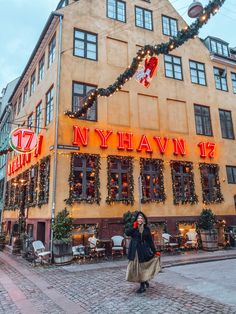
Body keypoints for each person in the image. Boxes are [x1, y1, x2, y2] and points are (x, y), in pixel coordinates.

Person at [125, 211, 161, 293]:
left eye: (141, 218)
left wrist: (155, 251)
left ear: (144, 220)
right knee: (137, 268)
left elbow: (150, 241)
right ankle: (144, 281)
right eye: (138, 218)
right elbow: (127, 233)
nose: (140, 219)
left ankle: (142, 286)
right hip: (134, 251)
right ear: (136, 219)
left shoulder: (146, 229)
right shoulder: (134, 227)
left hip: (143, 250)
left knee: (142, 267)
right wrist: (134, 227)